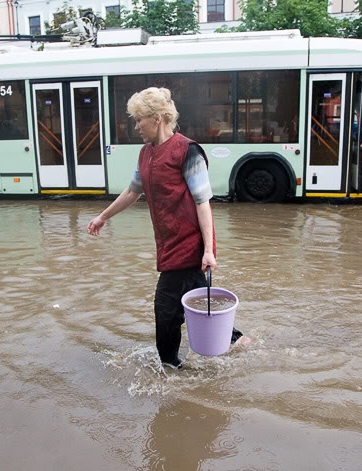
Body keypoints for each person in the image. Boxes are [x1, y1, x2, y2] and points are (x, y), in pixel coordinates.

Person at [86, 87, 246, 369]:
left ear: (157, 118)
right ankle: (237, 342)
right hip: (168, 245)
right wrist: (103, 217)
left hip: (188, 245)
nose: (136, 126)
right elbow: (133, 191)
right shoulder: (145, 153)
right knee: (193, 303)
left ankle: (171, 371)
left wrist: (208, 250)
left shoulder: (187, 151)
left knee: (165, 309)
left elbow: (202, 202)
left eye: (139, 120)